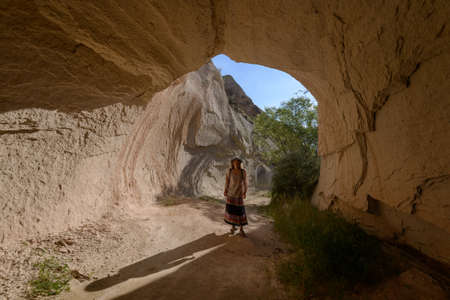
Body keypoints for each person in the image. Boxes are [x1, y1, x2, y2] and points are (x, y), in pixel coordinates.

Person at [224, 157, 248, 236]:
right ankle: (233, 227)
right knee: (232, 211)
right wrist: (225, 190)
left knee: (240, 212)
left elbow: (245, 183)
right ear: (232, 163)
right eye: (235, 162)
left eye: (238, 163)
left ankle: (241, 229)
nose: (236, 164)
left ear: (240, 163)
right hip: (230, 194)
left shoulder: (243, 172)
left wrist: (245, 192)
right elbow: (227, 181)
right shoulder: (229, 171)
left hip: (239, 195)